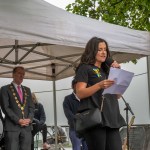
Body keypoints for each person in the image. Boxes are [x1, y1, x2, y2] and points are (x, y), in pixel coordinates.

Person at [74, 37, 126, 150]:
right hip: (96, 120)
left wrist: (118, 74)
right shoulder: (85, 68)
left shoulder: (107, 70)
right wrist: (99, 85)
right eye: (100, 49)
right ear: (92, 51)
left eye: (105, 49)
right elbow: (80, 93)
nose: (103, 52)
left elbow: (117, 96)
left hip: (112, 117)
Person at [0, 66, 34, 150]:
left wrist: (29, 119)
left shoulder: (27, 90)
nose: (21, 76)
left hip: (26, 127)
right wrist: (18, 120)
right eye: (19, 73)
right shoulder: (5, 89)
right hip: (12, 127)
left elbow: (31, 108)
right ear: (13, 75)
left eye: (23, 74)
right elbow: (5, 108)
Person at [63, 79, 88, 150]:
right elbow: (68, 114)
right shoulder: (68, 99)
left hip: (86, 129)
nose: (81, 87)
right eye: (79, 85)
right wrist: (80, 120)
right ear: (73, 86)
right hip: (74, 129)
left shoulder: (85, 97)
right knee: (76, 148)